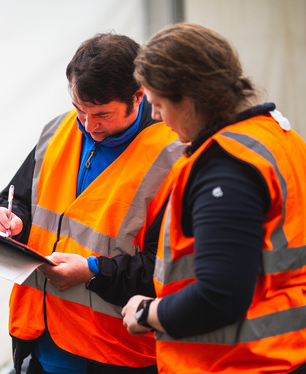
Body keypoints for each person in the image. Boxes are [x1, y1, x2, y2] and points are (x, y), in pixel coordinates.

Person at [0, 32, 186, 374]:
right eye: (80, 109)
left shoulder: (175, 159)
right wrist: (11, 220)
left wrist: (92, 273)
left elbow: (168, 271)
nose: (89, 126)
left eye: (103, 115)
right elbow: (17, 197)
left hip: (114, 354)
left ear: (139, 96)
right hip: (40, 338)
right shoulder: (58, 131)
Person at [121, 23, 306, 373]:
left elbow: (220, 296)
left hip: (241, 361)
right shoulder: (275, 135)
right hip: (285, 351)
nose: (156, 117)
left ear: (189, 98)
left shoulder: (225, 168)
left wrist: (147, 313)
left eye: (158, 104)